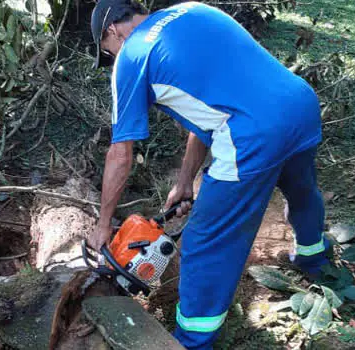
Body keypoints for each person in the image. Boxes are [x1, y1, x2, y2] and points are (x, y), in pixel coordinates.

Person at [87, 1, 330, 348]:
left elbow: (121, 152)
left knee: (204, 240)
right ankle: (315, 259)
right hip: (301, 105)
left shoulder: (131, 57)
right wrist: (185, 181)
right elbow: (209, 117)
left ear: (112, 31)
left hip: (255, 133)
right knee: (301, 188)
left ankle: (191, 341)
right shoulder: (193, 9)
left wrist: (102, 225)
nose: (112, 58)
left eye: (107, 52)